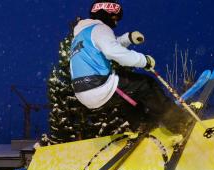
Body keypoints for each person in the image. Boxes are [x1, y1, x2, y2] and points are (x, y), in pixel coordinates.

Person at [69, 0, 191, 135]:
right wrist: (144, 60)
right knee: (146, 85)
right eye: (115, 17)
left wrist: (128, 38)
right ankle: (179, 122)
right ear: (107, 13)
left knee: (129, 93)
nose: (116, 22)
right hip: (100, 86)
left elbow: (108, 44)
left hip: (82, 93)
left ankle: (141, 123)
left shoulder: (81, 35)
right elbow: (112, 51)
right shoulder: (100, 28)